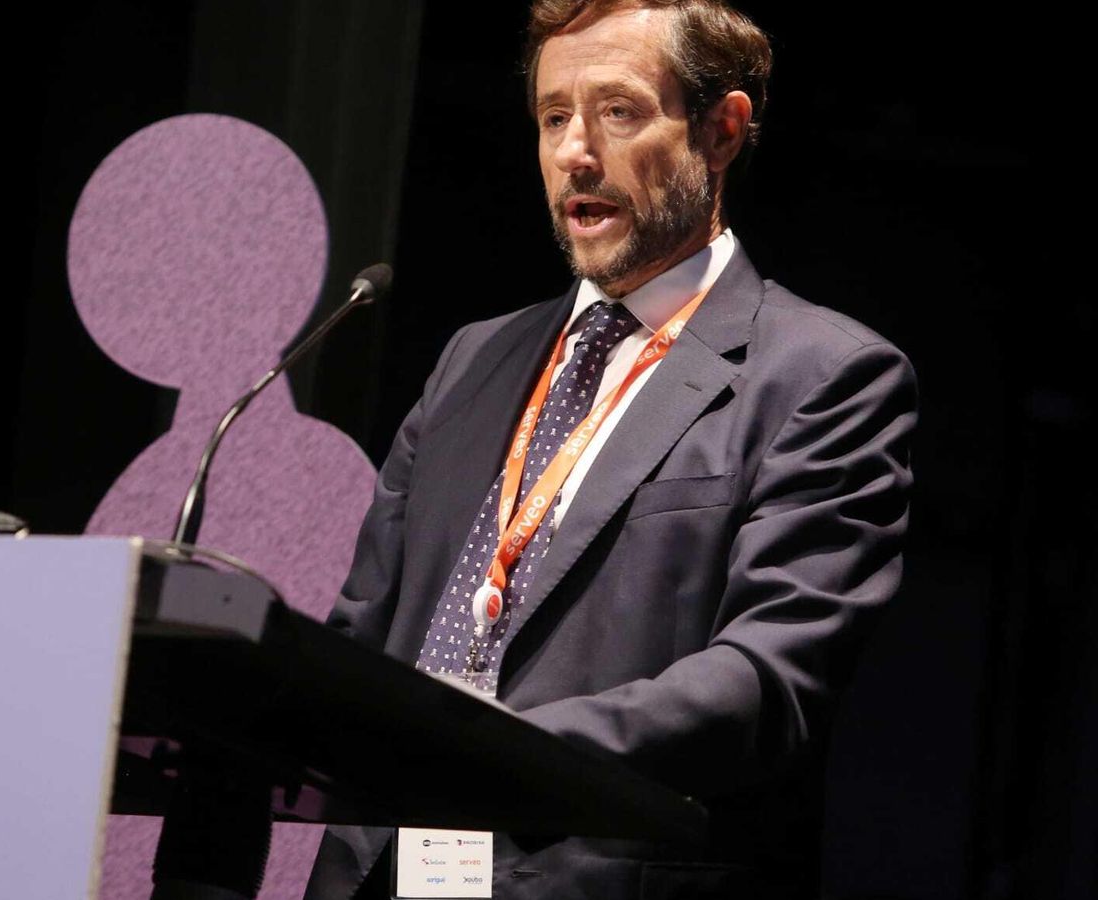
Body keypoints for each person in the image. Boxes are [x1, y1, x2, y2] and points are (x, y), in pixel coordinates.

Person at [305, 1, 917, 897]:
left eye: (619, 111)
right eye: (554, 116)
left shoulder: (824, 376)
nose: (574, 153)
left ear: (722, 131)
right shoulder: (474, 360)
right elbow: (363, 632)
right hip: (377, 875)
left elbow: (766, 679)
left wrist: (491, 749)